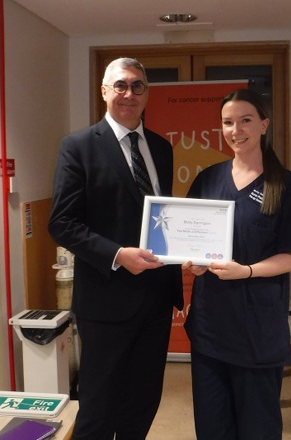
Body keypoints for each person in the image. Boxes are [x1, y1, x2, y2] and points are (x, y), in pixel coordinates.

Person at [48, 57, 184, 440]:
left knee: (143, 401)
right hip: (106, 301)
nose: (129, 93)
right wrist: (117, 255)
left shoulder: (160, 147)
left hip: (156, 299)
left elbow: (161, 216)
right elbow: (62, 223)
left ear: (147, 94)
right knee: (99, 405)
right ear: (104, 91)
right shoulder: (77, 147)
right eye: (120, 85)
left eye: (137, 86)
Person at [182, 88, 291, 440]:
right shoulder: (208, 179)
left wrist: (248, 271)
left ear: (264, 125)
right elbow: (192, 242)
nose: (235, 130)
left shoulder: (285, 184)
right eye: (227, 122)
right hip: (210, 329)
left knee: (257, 429)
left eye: (245, 120)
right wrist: (193, 264)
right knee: (212, 428)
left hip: (258, 332)